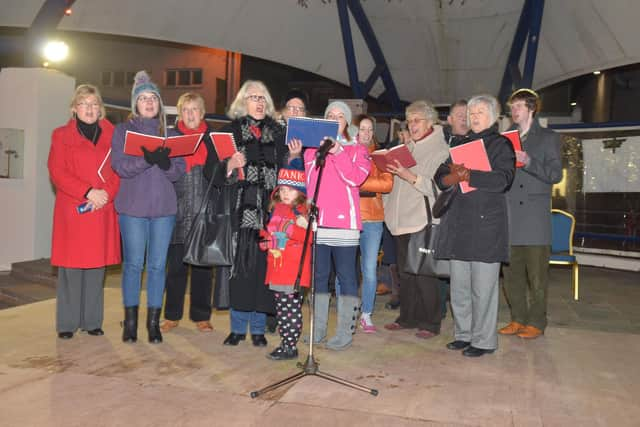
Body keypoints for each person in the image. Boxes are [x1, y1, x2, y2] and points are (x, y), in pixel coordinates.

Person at [207, 80, 292, 348]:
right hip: (239, 215)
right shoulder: (228, 133)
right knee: (240, 273)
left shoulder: (280, 134)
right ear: (242, 102)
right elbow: (211, 173)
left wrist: (294, 157)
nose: (259, 102)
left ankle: (257, 330)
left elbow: (288, 175)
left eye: (262, 98)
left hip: (270, 216)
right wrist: (229, 165)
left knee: (264, 273)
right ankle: (236, 328)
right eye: (253, 97)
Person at [434, 94, 515, 357]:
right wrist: (450, 176)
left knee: (483, 289)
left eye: (480, 112)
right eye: (471, 112)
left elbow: (503, 179)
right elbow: (439, 175)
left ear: (493, 116)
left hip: (486, 226)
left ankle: (483, 340)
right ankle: (463, 334)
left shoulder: (501, 145)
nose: (474, 116)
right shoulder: (460, 142)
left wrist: (469, 174)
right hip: (459, 224)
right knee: (459, 287)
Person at [111, 71, 186, 344]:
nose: (149, 102)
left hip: (164, 210)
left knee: (156, 267)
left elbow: (178, 171)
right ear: (135, 104)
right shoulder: (123, 131)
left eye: (153, 97)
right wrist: (146, 160)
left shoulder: (172, 133)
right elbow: (119, 166)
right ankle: (130, 323)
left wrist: (165, 164)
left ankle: (153, 323)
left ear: (159, 102)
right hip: (132, 209)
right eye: (142, 98)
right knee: (133, 265)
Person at [48, 84, 121, 339]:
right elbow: (57, 172)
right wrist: (88, 191)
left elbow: (119, 170)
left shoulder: (114, 135)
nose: (89, 109)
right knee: (71, 268)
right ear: (74, 109)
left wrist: (105, 195)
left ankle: (92, 321)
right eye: (84, 104)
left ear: (101, 109)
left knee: (95, 268)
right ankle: (67, 324)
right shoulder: (60, 135)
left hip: (101, 208)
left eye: (94, 104)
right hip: (74, 208)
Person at [305, 100, 370, 351]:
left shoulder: (358, 150)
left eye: (339, 116)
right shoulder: (312, 151)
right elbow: (311, 186)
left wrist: (339, 152)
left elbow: (355, 179)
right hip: (319, 224)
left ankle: (345, 332)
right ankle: (318, 329)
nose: (334, 119)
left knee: (346, 277)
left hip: (345, 225)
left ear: (346, 122)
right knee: (319, 278)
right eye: (329, 115)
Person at [383, 100, 449, 339]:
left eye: (417, 120)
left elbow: (438, 188)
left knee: (424, 275)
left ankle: (430, 323)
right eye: (409, 121)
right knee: (405, 274)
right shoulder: (407, 147)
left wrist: (408, 175)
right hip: (399, 221)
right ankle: (407, 317)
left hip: (421, 219)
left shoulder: (441, 150)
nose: (412, 125)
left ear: (430, 122)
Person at [499, 88, 563, 339]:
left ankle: (536, 321)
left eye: (518, 107)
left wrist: (529, 162)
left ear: (532, 108)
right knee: (512, 275)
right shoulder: (505, 138)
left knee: (537, 277)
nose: (514, 111)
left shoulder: (548, 137)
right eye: (511, 107)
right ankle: (517, 318)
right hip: (510, 214)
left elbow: (555, 175)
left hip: (535, 217)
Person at [161, 92, 217, 334]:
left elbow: (224, 175)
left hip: (205, 212)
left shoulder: (214, 140)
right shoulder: (171, 139)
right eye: (186, 110)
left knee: (203, 270)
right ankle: (172, 315)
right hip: (177, 213)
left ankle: (201, 316)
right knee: (175, 269)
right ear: (180, 114)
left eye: (195, 109)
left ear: (202, 113)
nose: (191, 114)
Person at [260, 159, 311, 360]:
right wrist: (264, 239)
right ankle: (285, 342)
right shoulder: (276, 210)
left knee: (291, 309)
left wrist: (295, 227)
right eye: (282, 190)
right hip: (277, 267)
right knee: (282, 309)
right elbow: (271, 234)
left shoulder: (302, 212)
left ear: (299, 192)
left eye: (290, 190)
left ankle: (290, 345)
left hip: (293, 271)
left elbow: (308, 238)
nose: (285, 194)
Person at [352, 114, 393, 332]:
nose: (366, 133)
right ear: (354, 131)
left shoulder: (380, 156)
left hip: (374, 219)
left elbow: (387, 184)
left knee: (369, 269)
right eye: (362, 129)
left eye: (370, 129)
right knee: (346, 269)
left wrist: (358, 181)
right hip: (348, 217)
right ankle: (347, 310)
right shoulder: (344, 151)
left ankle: (366, 313)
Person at [439, 99, 469, 318]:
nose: (464, 118)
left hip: (468, 214)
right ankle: (439, 309)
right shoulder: (440, 144)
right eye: (459, 115)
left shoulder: (477, 142)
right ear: (449, 120)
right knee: (439, 265)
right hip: (441, 210)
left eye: (467, 114)